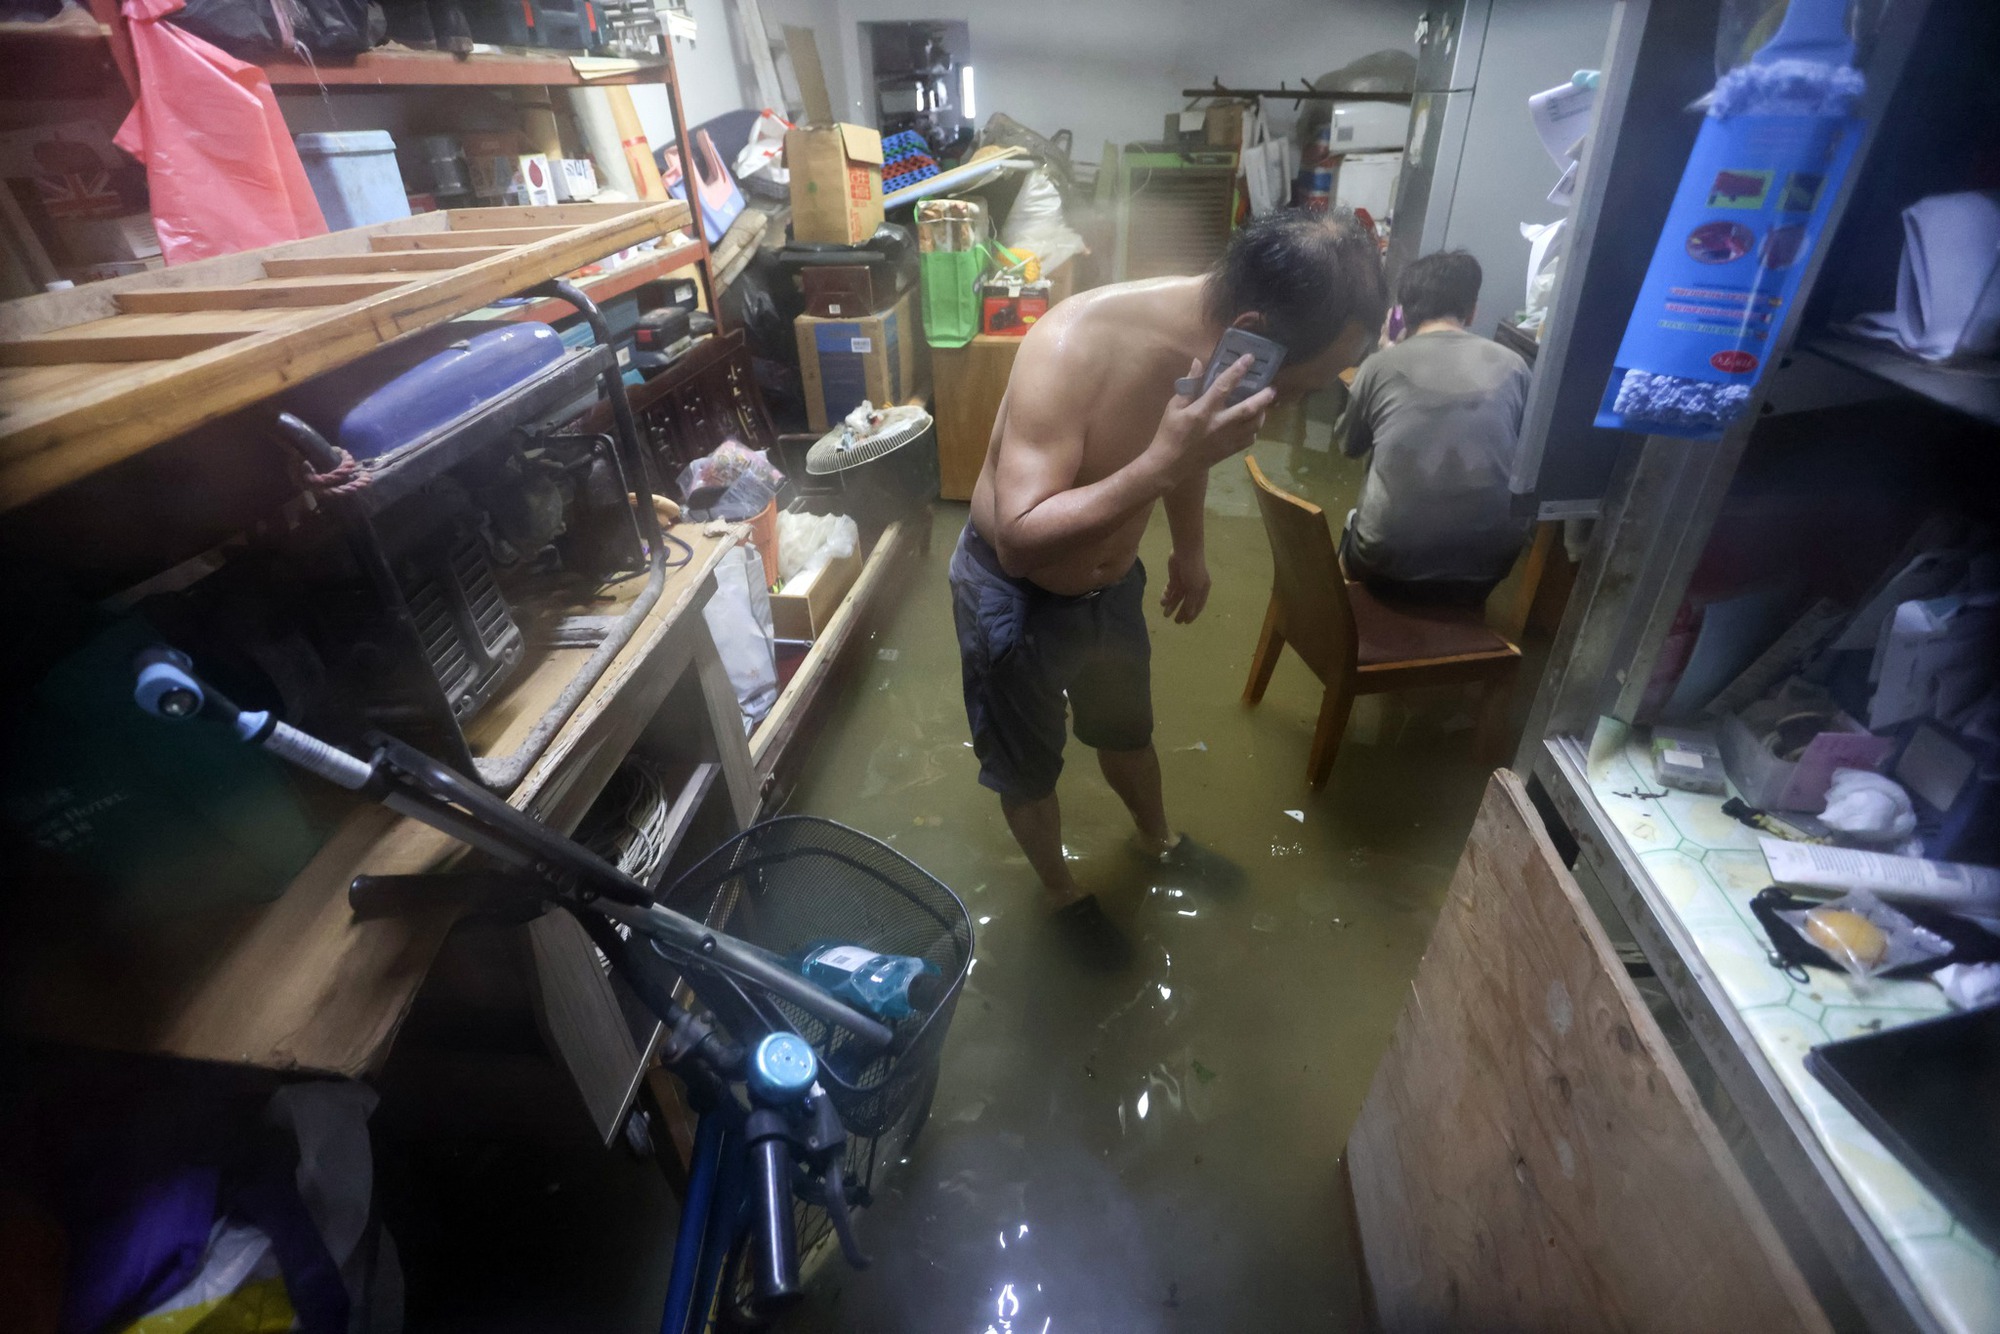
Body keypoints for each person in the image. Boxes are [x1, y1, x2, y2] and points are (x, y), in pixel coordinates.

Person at [950, 211, 1387, 962]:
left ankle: (1157, 839)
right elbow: (1020, 539)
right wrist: (1161, 463)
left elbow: (1190, 446)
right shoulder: (1071, 347)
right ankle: (1061, 891)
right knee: (1027, 768)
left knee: (1129, 732)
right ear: (1253, 332)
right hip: (1011, 596)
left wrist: (1190, 547)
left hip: (1111, 589)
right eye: (1299, 387)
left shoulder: (1219, 353)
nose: (1286, 405)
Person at [1334, 249, 1533, 605]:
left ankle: (1344, 622)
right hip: (1489, 568)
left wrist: (1386, 351)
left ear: (1401, 313)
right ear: (1471, 311)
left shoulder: (1381, 365)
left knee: (1357, 526)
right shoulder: (1516, 367)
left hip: (1384, 566)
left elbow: (1348, 445)